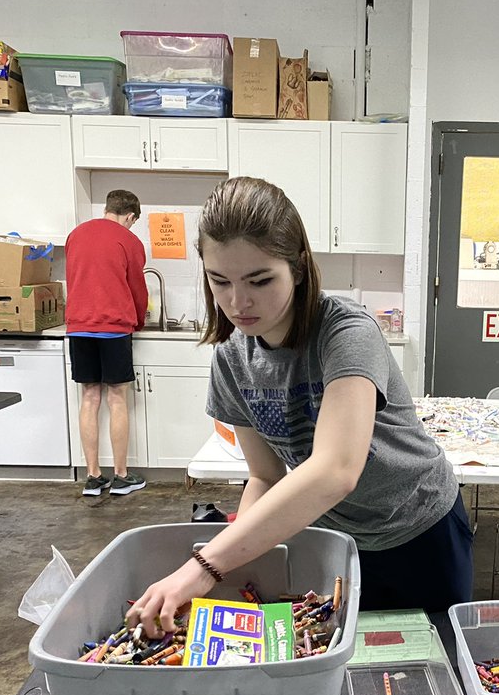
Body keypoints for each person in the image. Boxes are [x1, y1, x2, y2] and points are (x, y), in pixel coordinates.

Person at [127, 176, 472, 636]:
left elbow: (335, 470)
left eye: (260, 279)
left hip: (420, 526)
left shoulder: (346, 333)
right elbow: (265, 477)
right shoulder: (233, 359)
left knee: (432, 663)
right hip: (335, 536)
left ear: (300, 268)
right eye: (219, 281)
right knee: (344, 661)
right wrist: (234, 571)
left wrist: (204, 566)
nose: (237, 301)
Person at [65, 189, 148, 497]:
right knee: (117, 399)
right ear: (130, 216)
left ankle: (92, 476)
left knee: (89, 397)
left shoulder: (76, 235)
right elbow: (137, 288)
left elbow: (74, 280)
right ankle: (122, 475)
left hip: (78, 325)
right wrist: (137, 321)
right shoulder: (129, 241)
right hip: (114, 327)